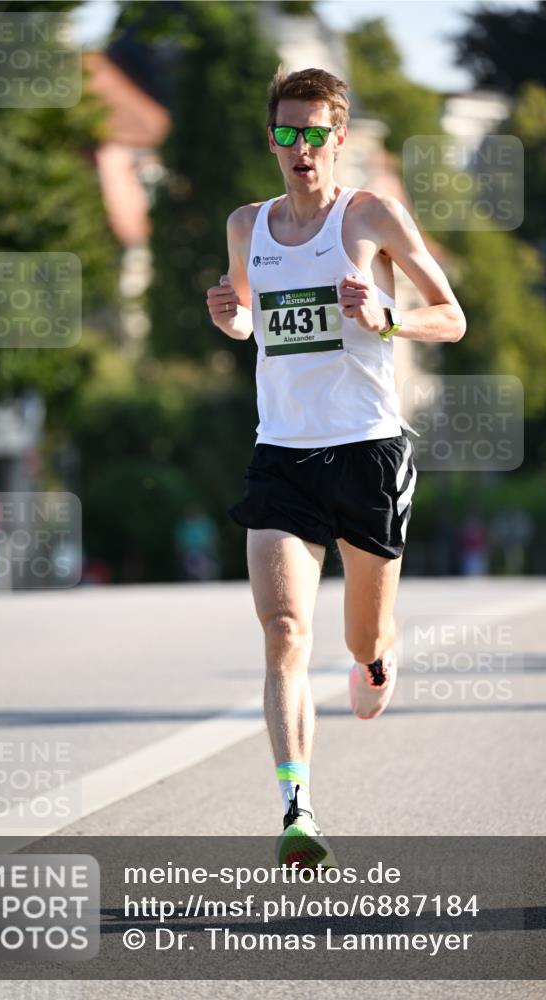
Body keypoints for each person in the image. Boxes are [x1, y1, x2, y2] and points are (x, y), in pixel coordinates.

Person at [206, 67, 466, 868]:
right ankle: (297, 807)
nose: (300, 148)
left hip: (366, 452)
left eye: (314, 133)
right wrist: (232, 318)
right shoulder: (245, 224)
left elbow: (451, 318)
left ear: (338, 137)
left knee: (360, 636)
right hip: (281, 454)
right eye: (286, 132)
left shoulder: (371, 217)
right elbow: (249, 318)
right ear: (271, 138)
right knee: (284, 631)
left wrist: (386, 318)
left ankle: (377, 657)